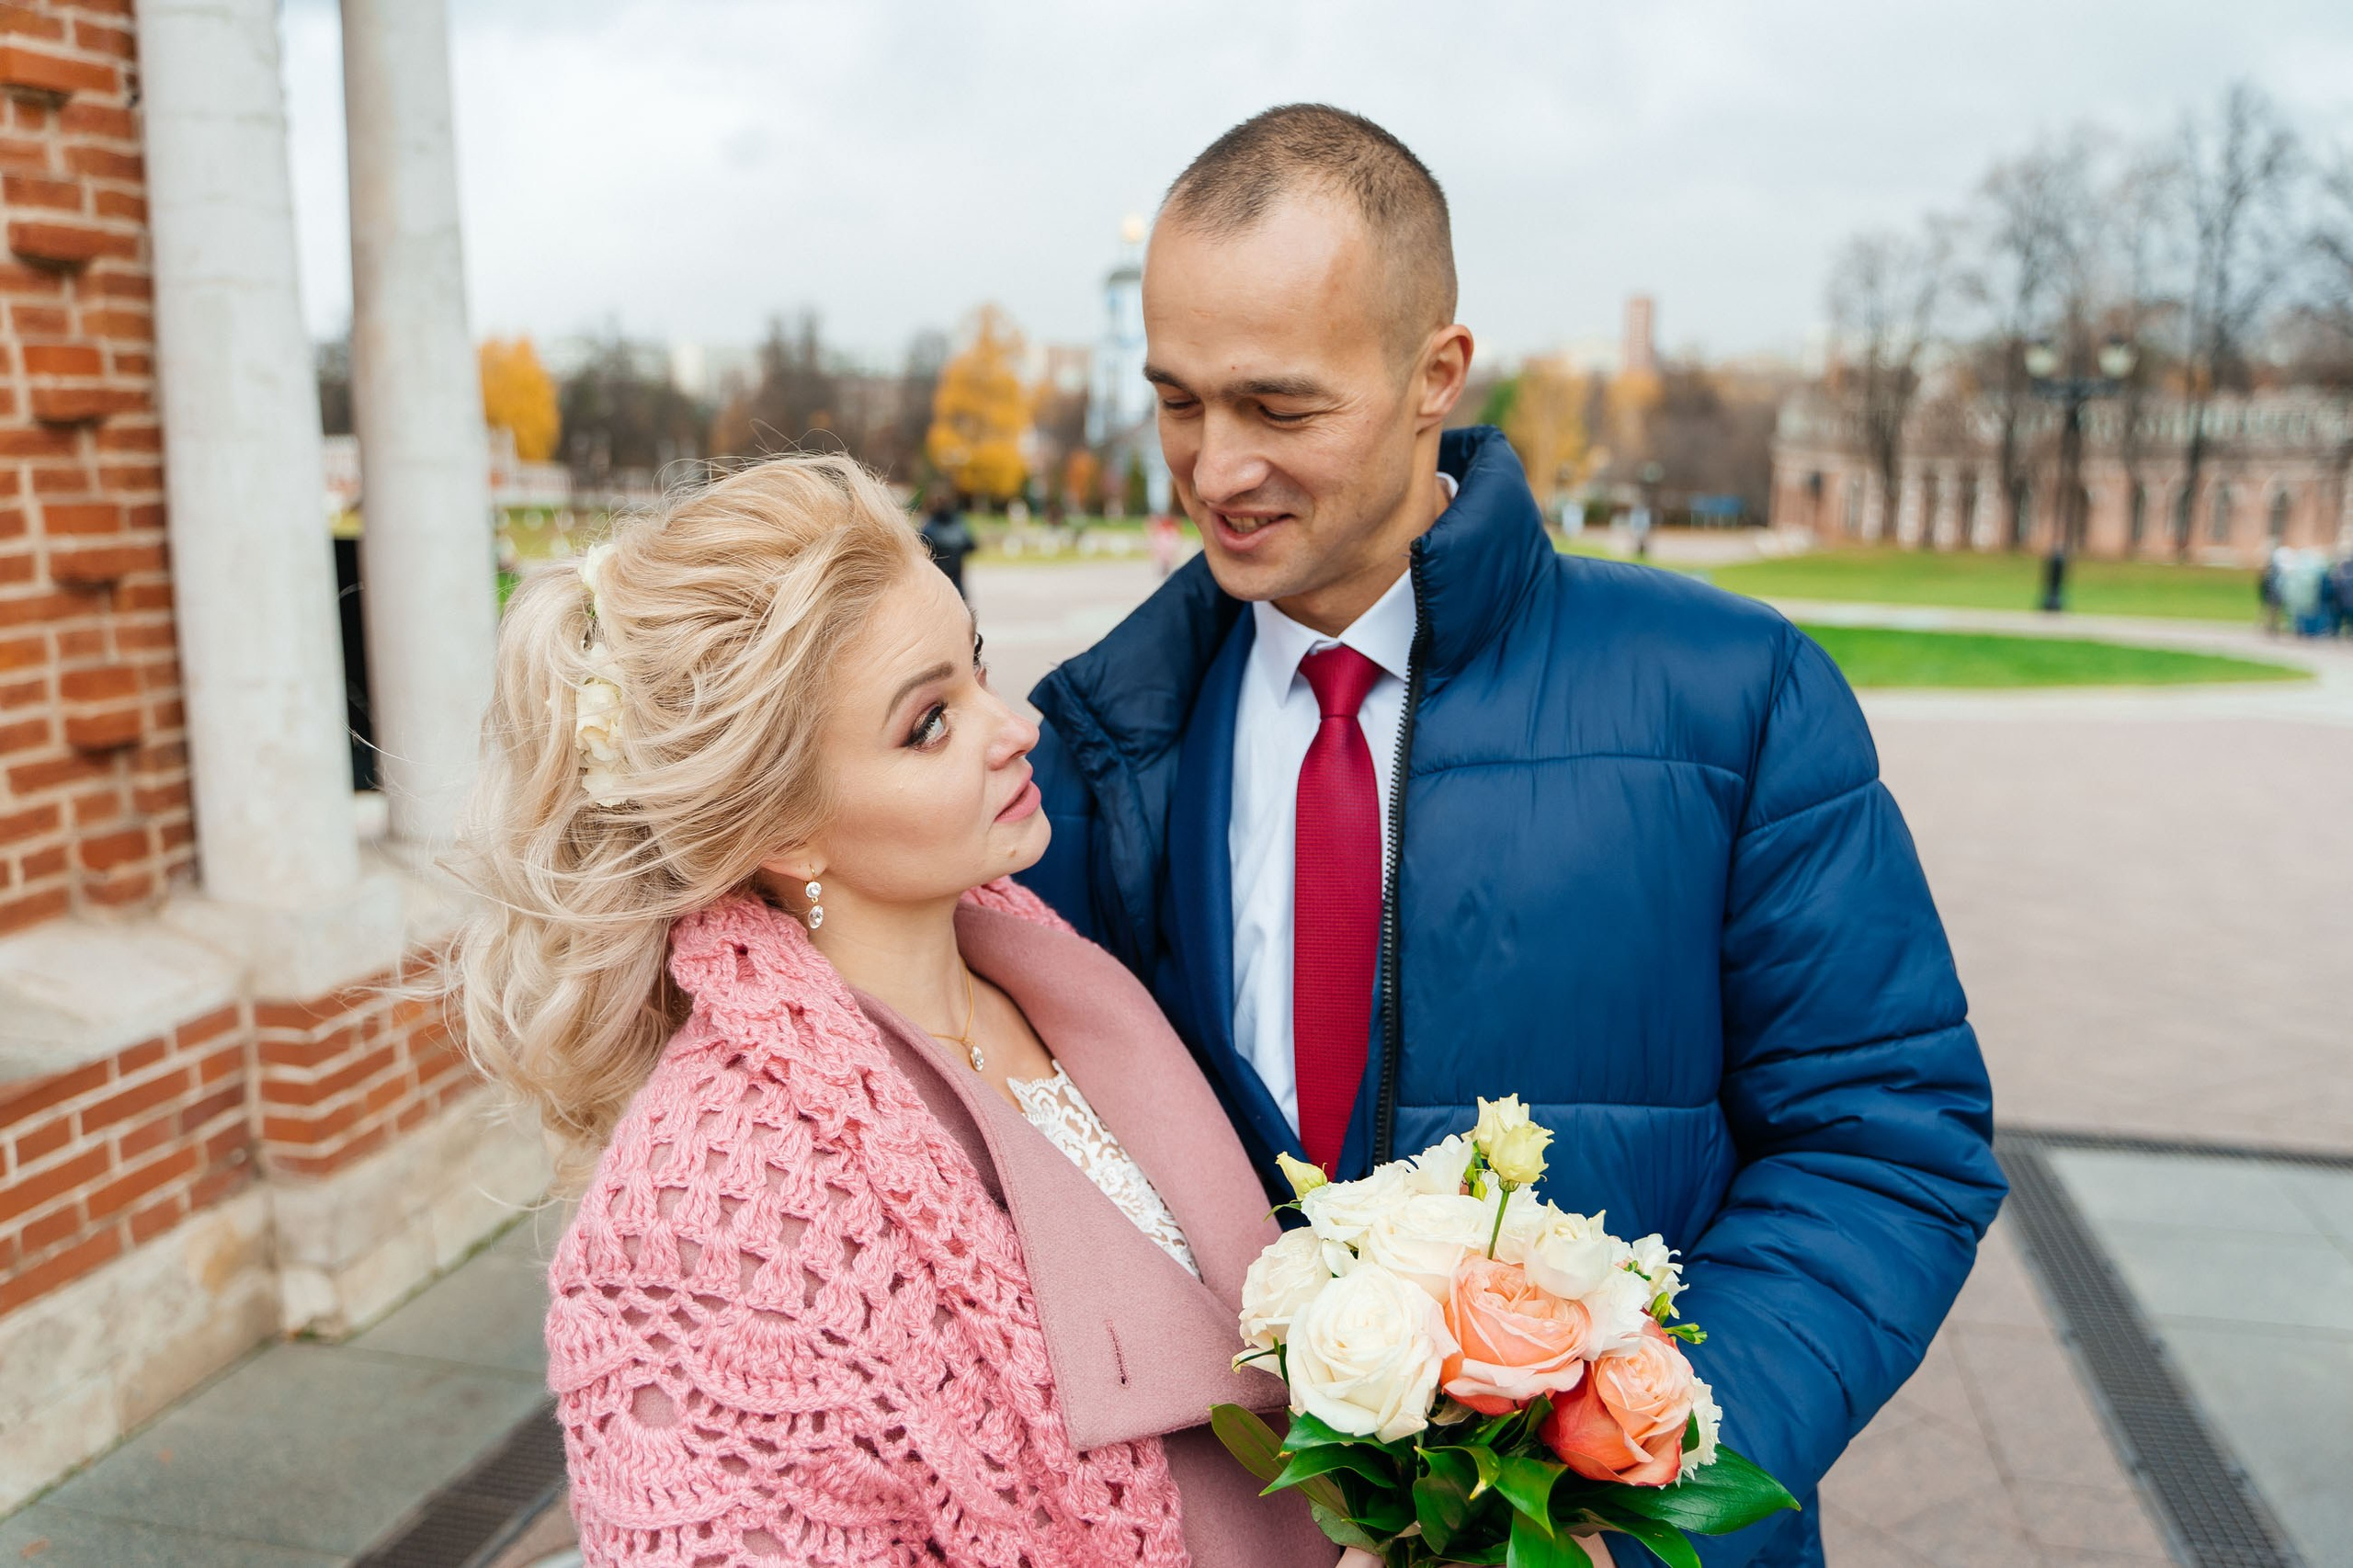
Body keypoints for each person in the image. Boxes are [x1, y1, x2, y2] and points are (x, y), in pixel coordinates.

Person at [1021, 106, 2005, 1568]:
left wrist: (1629, 1496)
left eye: (1279, 409)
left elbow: (1886, 1143)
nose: (1215, 468)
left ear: (1438, 374)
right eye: (1179, 401)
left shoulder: (1734, 694)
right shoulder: (1086, 747)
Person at [452, 456, 1331, 1567]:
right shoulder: (699, 1226)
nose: (1012, 727)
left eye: (976, 666)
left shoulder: (1049, 970)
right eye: (928, 723)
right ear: (784, 830)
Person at [920, 483, 976, 599]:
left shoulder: (930, 528)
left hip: (937, 579)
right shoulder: (958, 525)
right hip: (956, 580)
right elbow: (971, 545)